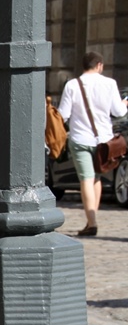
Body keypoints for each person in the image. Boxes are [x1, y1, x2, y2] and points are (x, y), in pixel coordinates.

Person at [57, 51, 128, 237]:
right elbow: (119, 111)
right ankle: (92, 220)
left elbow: (63, 114)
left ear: (84, 66)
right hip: (104, 140)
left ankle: (92, 222)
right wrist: (125, 103)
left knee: (86, 179)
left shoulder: (72, 85)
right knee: (95, 177)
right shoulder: (110, 84)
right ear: (100, 65)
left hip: (80, 138)